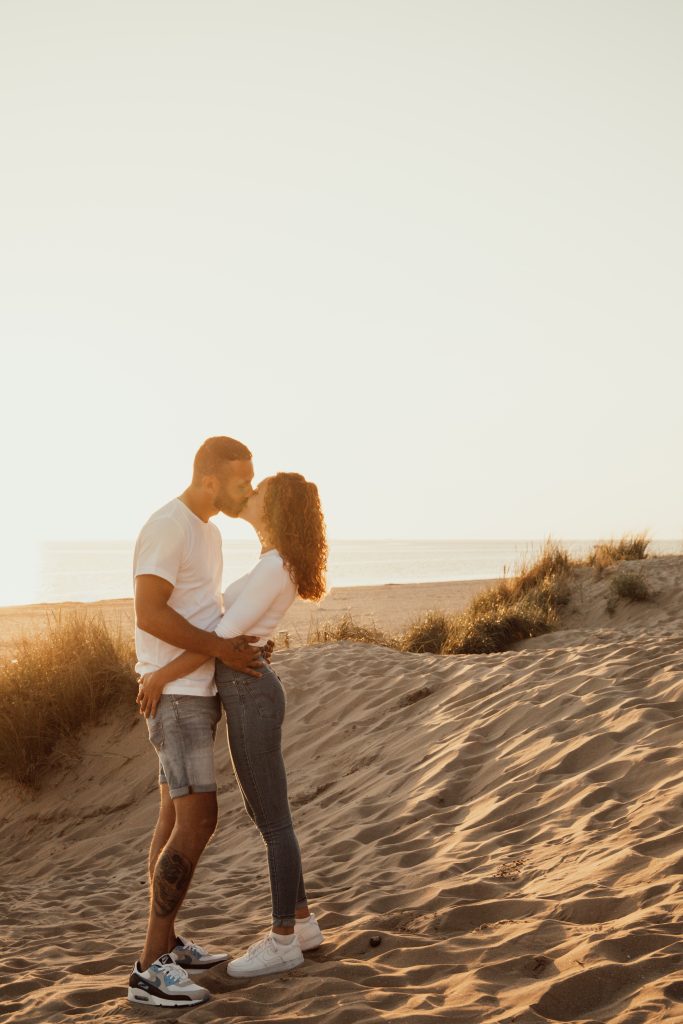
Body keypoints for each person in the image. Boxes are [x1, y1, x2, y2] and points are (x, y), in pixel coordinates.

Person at [137, 471, 327, 982]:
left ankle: (283, 938)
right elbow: (241, 631)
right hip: (247, 692)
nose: (250, 494)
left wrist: (161, 674)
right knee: (270, 813)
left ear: (278, 507)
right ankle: (304, 925)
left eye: (260, 490)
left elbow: (222, 635)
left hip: (249, 696)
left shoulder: (274, 564)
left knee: (273, 821)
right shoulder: (276, 563)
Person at [128, 436, 264, 1008]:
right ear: (210, 480)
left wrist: (223, 648)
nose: (247, 491)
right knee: (197, 820)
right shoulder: (170, 526)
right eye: (240, 482)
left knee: (170, 822)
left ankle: (166, 945)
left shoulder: (207, 533)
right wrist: (215, 648)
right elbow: (149, 612)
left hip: (193, 688)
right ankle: (149, 968)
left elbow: (202, 611)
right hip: (178, 699)